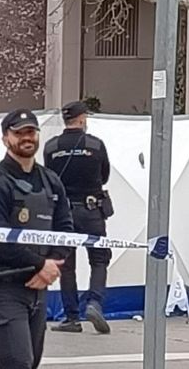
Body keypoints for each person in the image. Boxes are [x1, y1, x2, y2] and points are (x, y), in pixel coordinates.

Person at [0, 108, 74, 369]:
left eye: (31, 131)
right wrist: (41, 265)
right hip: (4, 287)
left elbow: (66, 229)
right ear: (6, 138)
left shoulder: (52, 181)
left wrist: (52, 264)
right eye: (19, 133)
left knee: (31, 363)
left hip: (39, 290)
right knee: (18, 363)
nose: (26, 138)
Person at [45, 100, 113, 334]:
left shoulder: (51, 146)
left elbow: (49, 180)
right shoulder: (95, 144)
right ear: (82, 119)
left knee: (66, 265)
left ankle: (72, 318)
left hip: (63, 214)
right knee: (99, 259)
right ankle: (94, 302)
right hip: (92, 211)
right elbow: (104, 176)